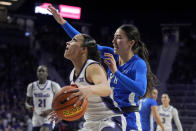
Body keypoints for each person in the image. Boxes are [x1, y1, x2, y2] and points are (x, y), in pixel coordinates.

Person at [47, 5, 157, 131]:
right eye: (114, 36)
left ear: (130, 43)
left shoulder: (138, 63)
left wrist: (116, 72)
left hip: (129, 116)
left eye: (119, 37)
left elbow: (141, 90)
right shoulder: (111, 54)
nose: (114, 40)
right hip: (108, 113)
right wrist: (63, 22)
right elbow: (86, 43)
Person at [47, 9, 127, 130]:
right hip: (90, 124)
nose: (67, 43)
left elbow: (106, 89)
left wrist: (89, 89)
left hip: (110, 119)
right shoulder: (72, 75)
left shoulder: (93, 67)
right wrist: (63, 112)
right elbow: (77, 102)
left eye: (72, 41)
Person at [25, 65, 61, 131]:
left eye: (43, 71)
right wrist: (29, 106)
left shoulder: (54, 85)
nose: (41, 72)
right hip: (36, 119)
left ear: (47, 73)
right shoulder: (31, 86)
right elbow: (27, 102)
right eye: (39, 71)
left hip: (49, 118)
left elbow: (62, 103)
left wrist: (50, 110)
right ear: (36, 73)